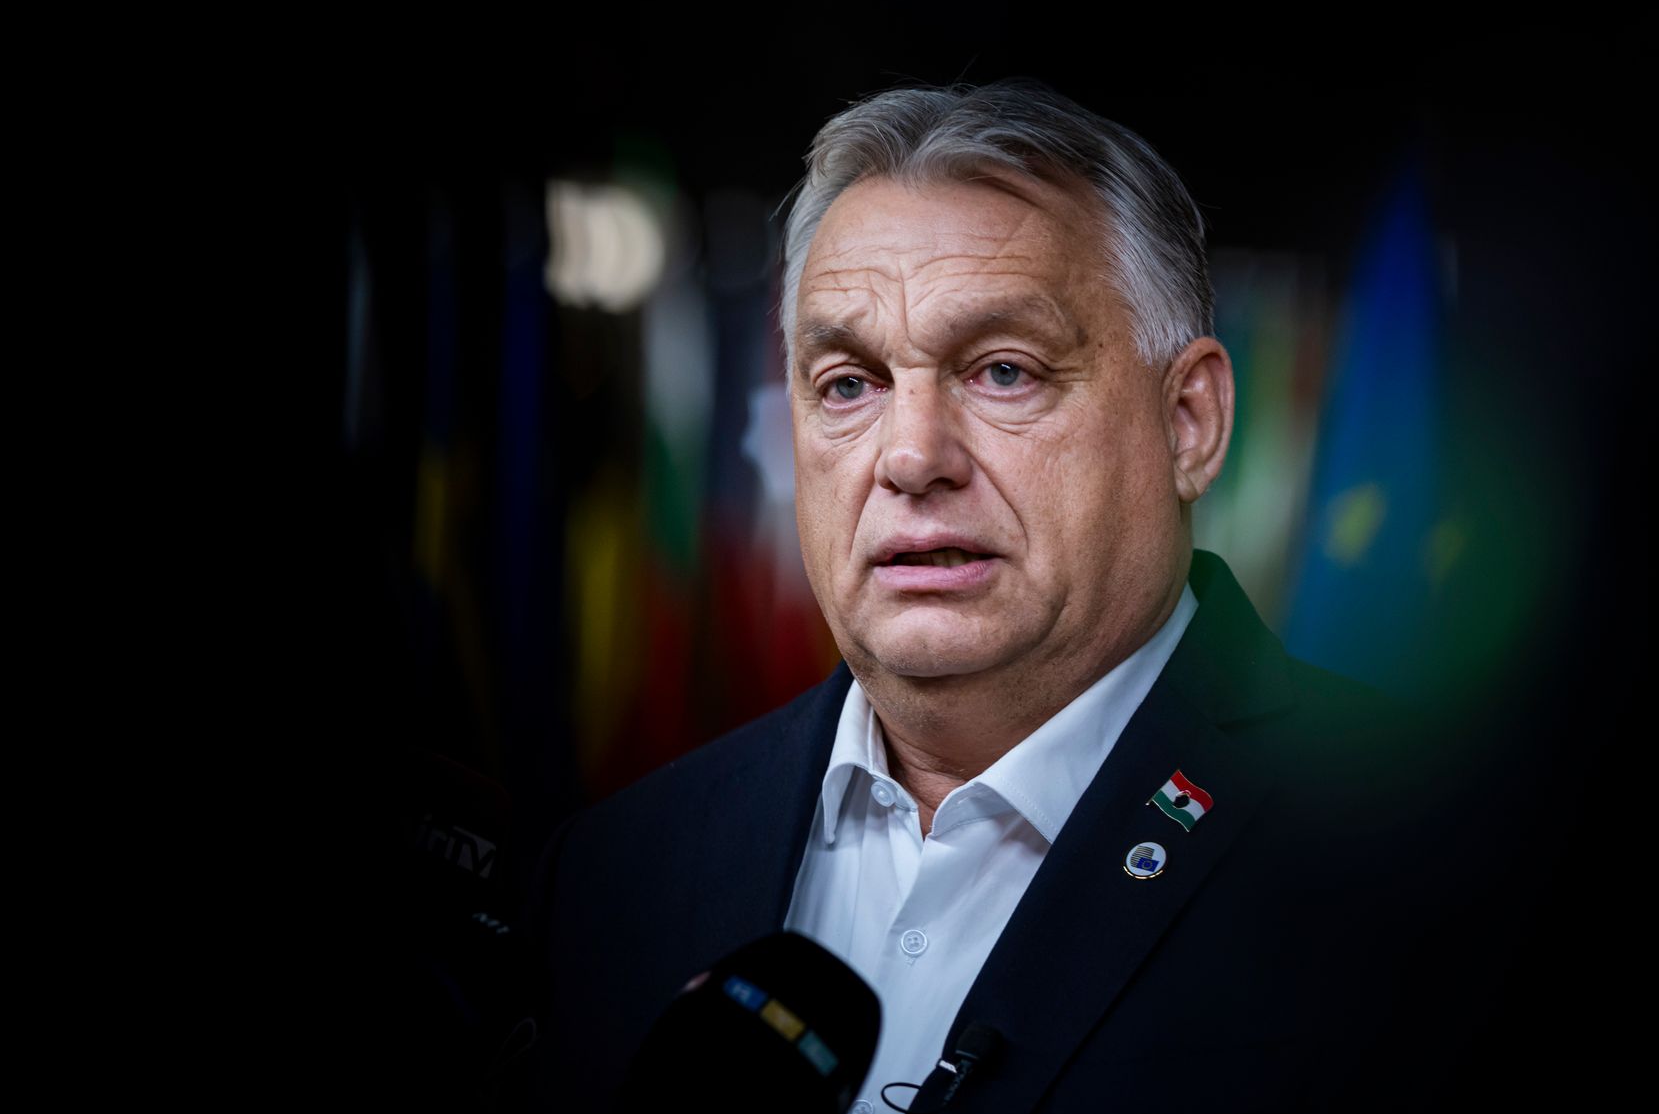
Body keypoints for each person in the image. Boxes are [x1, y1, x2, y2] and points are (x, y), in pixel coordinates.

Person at [523, 80, 1484, 1112]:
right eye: (848, 383)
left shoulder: (1442, 865)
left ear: (1190, 422)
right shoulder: (610, 869)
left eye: (1004, 372)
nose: (910, 456)